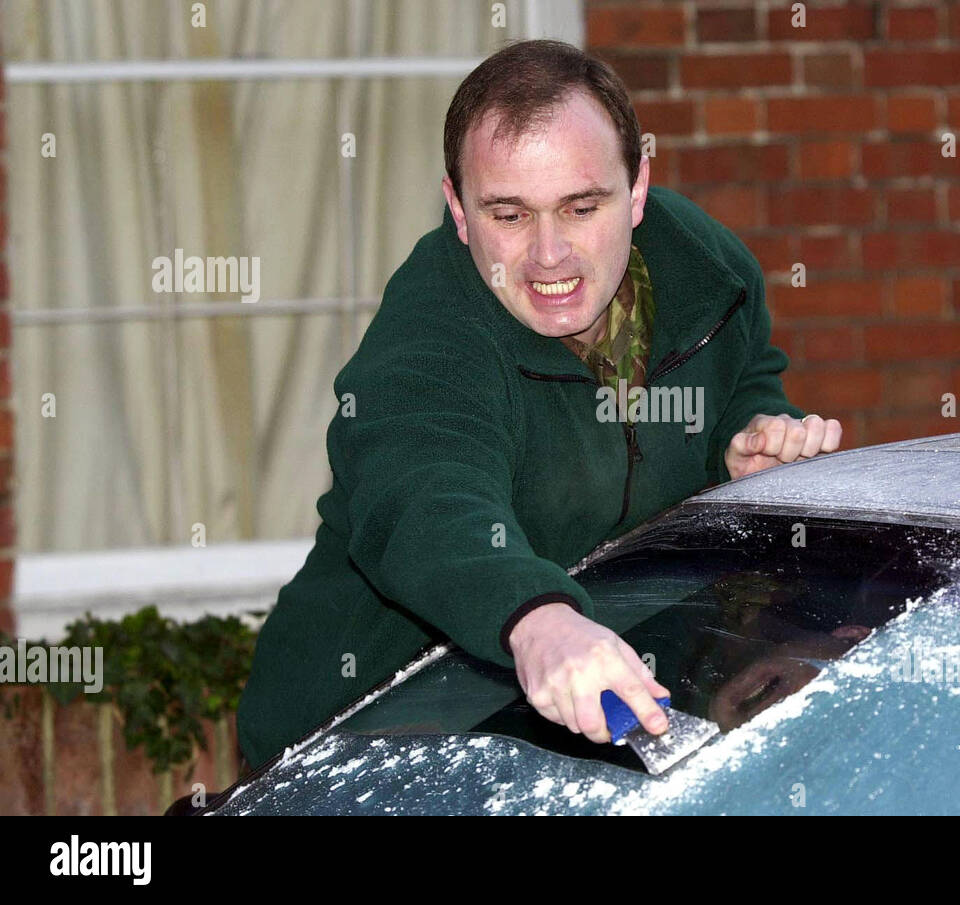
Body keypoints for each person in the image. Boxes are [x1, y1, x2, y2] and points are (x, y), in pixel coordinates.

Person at [236, 39, 842, 769]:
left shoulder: (710, 273)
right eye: (510, 215)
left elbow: (746, 376)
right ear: (459, 209)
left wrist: (747, 440)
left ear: (638, 187)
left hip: (582, 732)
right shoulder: (431, 331)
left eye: (581, 206)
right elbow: (425, 496)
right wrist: (538, 620)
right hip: (355, 744)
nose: (549, 255)